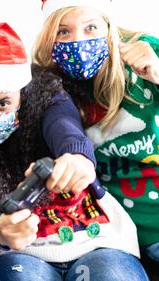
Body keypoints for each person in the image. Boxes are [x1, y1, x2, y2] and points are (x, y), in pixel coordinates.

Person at [0, 22, 152, 281]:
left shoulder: (47, 95)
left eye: (3, 104)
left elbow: (65, 125)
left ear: (23, 94)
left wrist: (78, 157)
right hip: (14, 253)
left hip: (94, 239)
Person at [34, 0, 159, 267]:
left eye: (91, 27)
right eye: (63, 31)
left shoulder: (147, 51)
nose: (78, 41)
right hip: (126, 231)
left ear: (108, 27)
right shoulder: (51, 87)